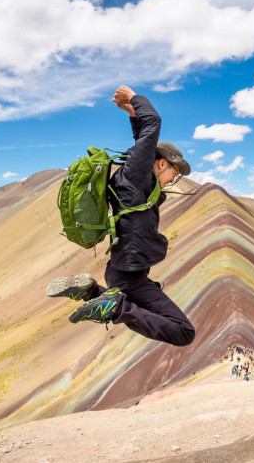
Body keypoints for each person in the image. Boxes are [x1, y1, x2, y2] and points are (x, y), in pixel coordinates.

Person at [45, 84, 195, 347]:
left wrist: (132, 114)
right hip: (129, 273)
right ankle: (112, 308)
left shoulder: (136, 179)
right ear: (162, 163)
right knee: (183, 332)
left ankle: (90, 292)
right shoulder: (136, 175)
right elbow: (153, 126)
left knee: (134, 302)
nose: (174, 179)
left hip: (122, 270)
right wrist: (135, 99)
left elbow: (142, 140)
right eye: (175, 172)